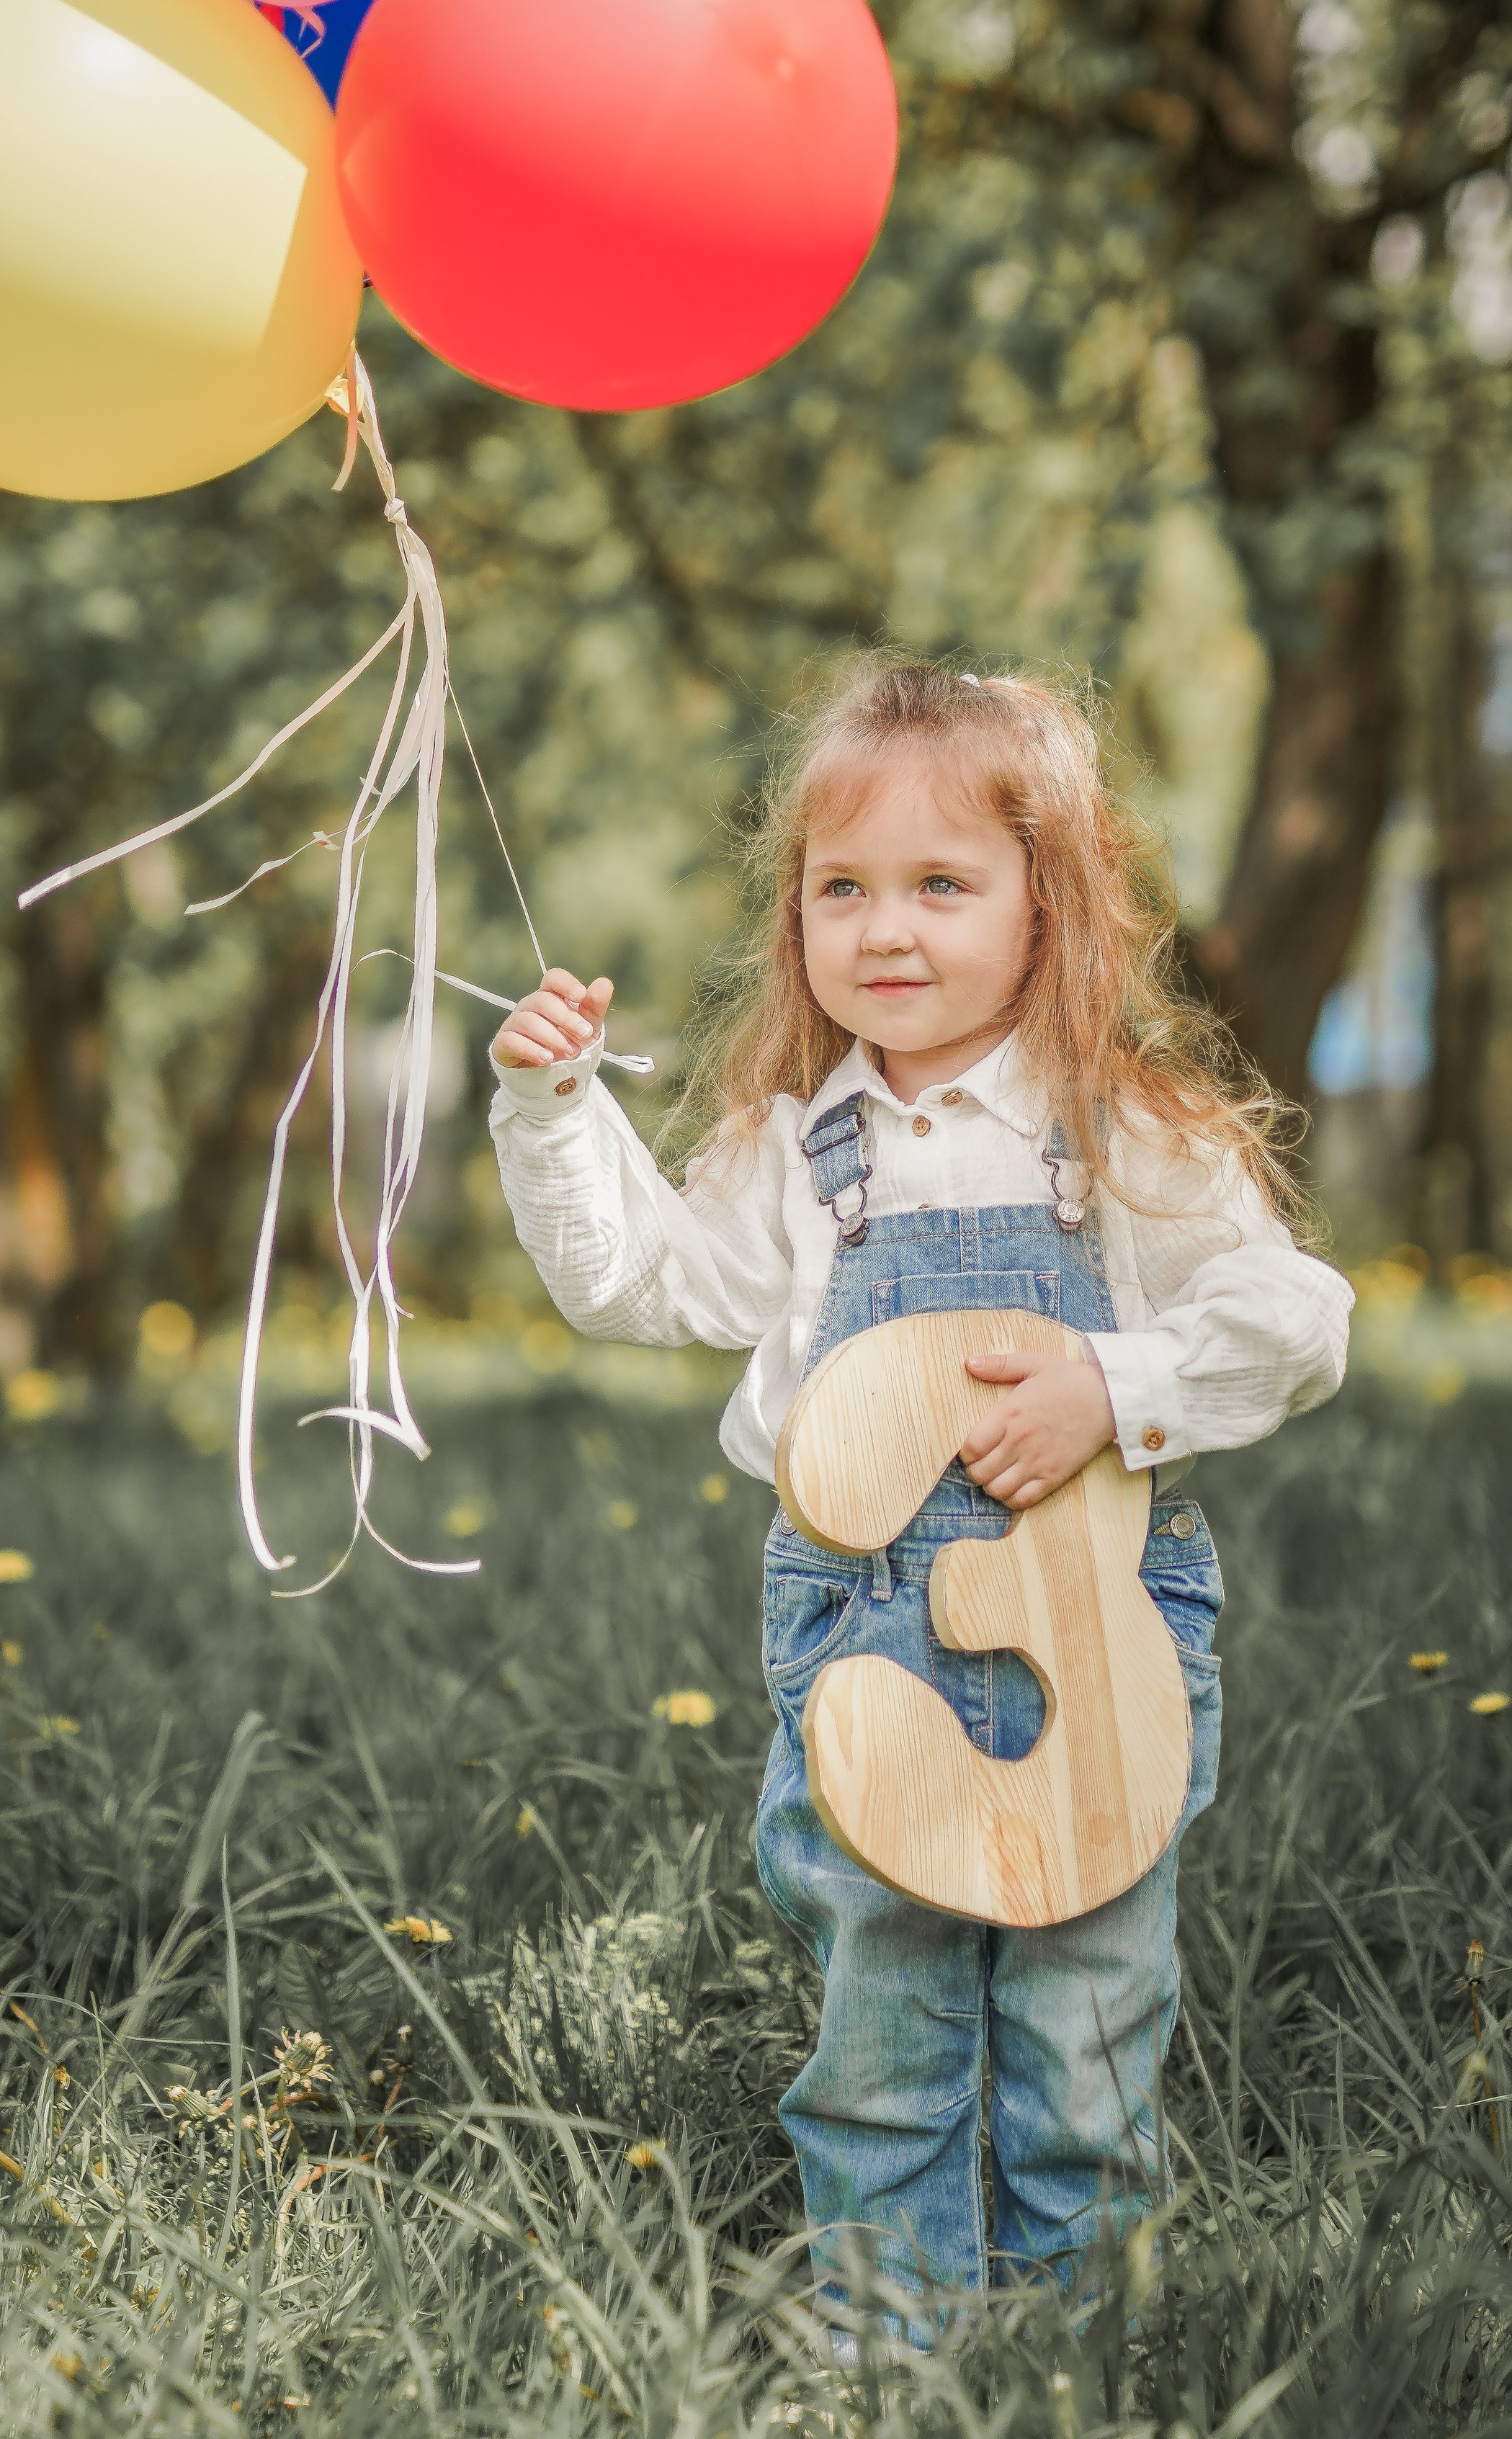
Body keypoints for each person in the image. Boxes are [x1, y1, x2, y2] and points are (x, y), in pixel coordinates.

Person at [487, 658, 1352, 2339]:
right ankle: (893, 2344)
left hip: (1093, 1636)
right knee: (881, 2013)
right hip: (864, 1630)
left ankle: (1087, 2339)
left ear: (1046, 907)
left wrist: (1114, 1385)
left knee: (1085, 2015)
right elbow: (638, 1284)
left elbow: (1292, 1321)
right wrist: (552, 1107)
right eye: (842, 889)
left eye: (940, 885)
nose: (883, 929)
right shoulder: (796, 1147)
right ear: (796, 914)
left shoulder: (1122, 1131)